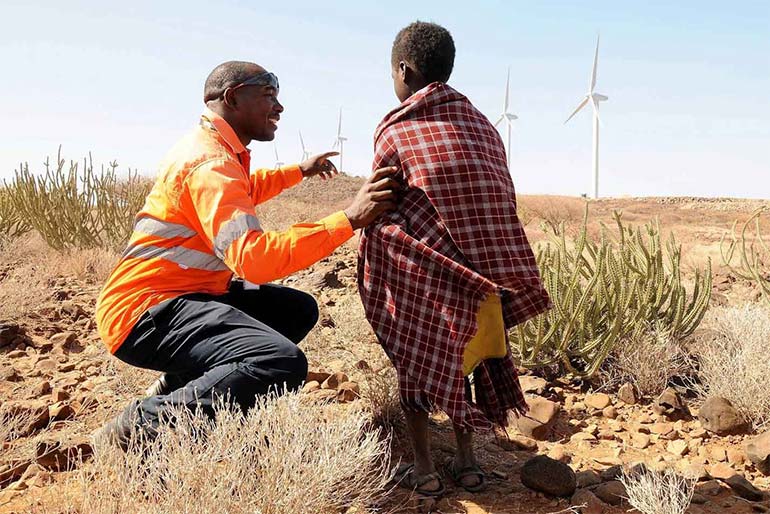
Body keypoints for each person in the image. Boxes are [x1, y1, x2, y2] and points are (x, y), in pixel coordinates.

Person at [95, 60, 399, 448]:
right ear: (233, 97)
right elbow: (255, 260)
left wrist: (299, 171)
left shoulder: (216, 151)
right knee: (278, 362)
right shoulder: (210, 163)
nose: (280, 107)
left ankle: (180, 383)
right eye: (269, 95)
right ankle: (139, 427)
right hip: (145, 313)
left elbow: (245, 189)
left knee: (295, 311)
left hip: (185, 294)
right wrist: (349, 219)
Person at [357, 22, 551, 496]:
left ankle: (423, 467)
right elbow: (498, 200)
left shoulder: (398, 128)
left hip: (422, 278)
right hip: (481, 279)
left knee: (415, 363)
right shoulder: (482, 125)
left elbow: (383, 203)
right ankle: (467, 462)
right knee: (467, 363)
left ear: (403, 69)